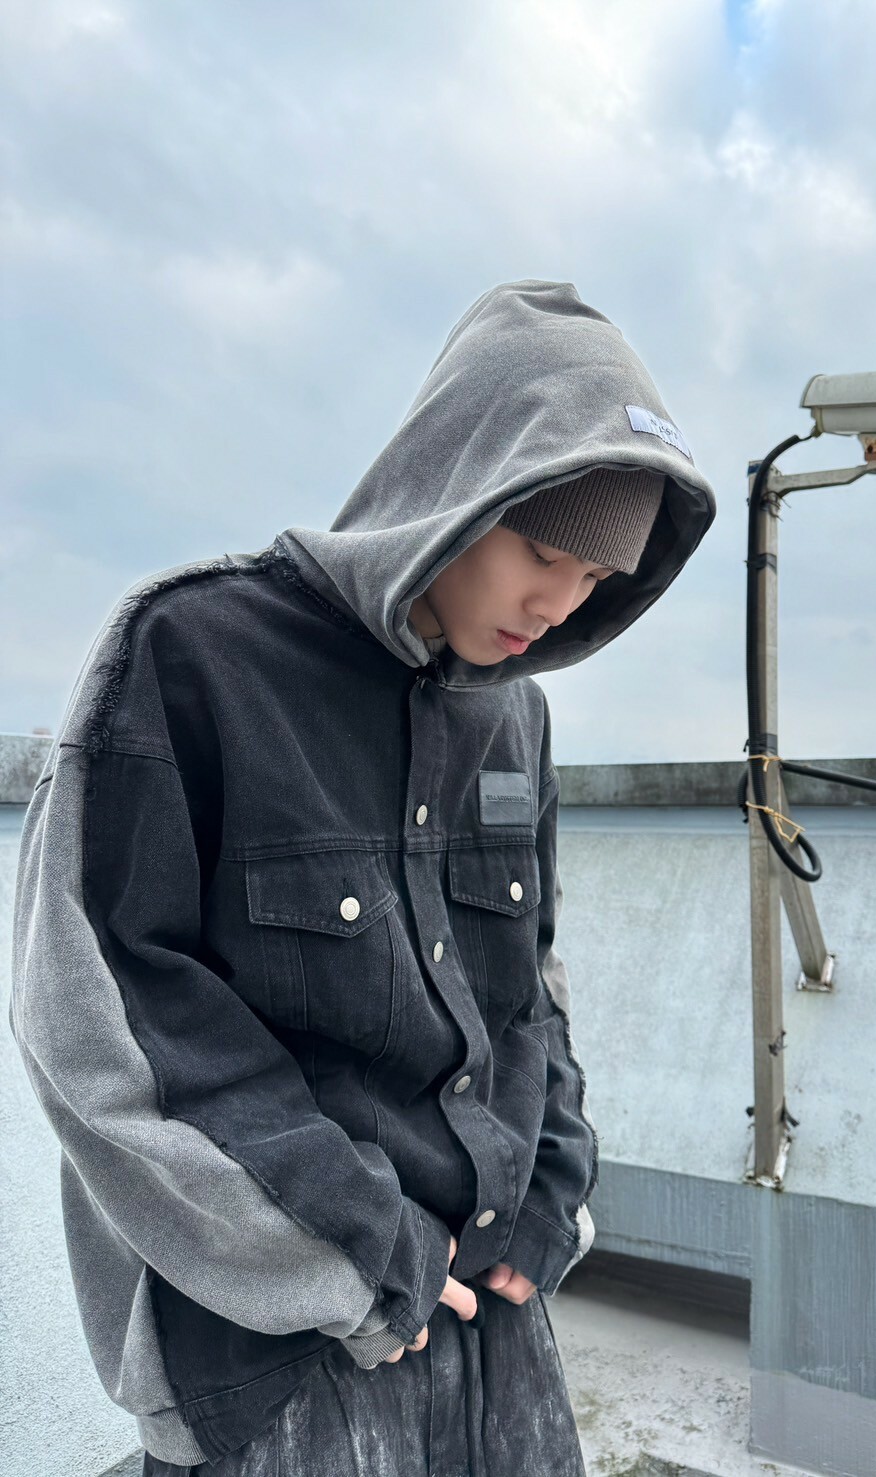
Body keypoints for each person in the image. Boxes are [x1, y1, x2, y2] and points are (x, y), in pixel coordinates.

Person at [9, 278, 716, 1473]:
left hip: (491, 1313)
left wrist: (552, 1189)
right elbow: (101, 1021)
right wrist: (357, 1250)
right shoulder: (191, 655)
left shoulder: (517, 718)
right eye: (542, 552)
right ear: (456, 486)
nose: (556, 604)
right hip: (274, 1355)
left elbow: (528, 992)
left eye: (597, 581)